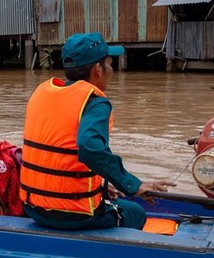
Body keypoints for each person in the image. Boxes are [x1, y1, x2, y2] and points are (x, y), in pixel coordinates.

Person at [20, 32, 175, 230]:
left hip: (34, 208)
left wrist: (102, 185)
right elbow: (89, 148)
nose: (112, 69)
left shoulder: (42, 92)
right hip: (72, 216)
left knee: (114, 197)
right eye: (109, 64)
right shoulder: (95, 103)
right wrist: (134, 185)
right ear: (97, 70)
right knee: (135, 212)